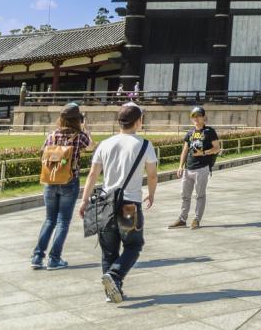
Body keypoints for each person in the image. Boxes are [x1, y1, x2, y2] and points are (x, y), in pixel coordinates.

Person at [78, 103, 158, 304]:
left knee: (109, 250)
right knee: (133, 244)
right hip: (129, 204)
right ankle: (115, 276)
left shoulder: (105, 144)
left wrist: (85, 199)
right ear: (138, 122)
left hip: (105, 202)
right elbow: (152, 175)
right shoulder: (144, 145)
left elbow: (92, 175)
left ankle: (111, 292)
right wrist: (151, 193)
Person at [32, 103, 93, 270]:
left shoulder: (52, 135)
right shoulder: (79, 136)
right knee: (63, 221)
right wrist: (86, 128)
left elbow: (43, 153)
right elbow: (91, 147)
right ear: (77, 119)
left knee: (49, 219)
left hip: (50, 181)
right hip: (69, 181)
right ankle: (54, 258)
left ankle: (37, 257)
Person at [170, 106, 221, 229]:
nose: (196, 118)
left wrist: (203, 153)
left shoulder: (209, 132)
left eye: (198, 116)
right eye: (193, 116)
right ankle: (182, 219)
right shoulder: (190, 133)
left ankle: (197, 219)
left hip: (201, 169)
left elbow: (217, 148)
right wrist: (180, 166)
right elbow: (185, 151)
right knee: (185, 195)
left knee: (200, 195)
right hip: (188, 169)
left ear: (204, 117)